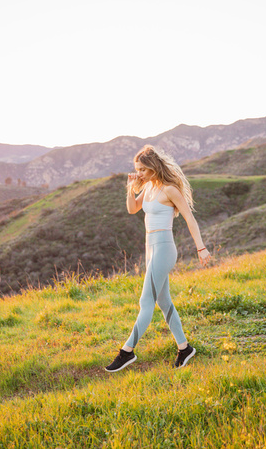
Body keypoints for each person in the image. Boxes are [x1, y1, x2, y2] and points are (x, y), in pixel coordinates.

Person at [105, 145, 212, 372]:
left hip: (164, 248)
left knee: (146, 302)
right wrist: (131, 188)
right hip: (150, 248)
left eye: (143, 169)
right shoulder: (150, 188)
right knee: (163, 302)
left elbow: (190, 219)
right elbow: (132, 209)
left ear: (153, 167)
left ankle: (127, 352)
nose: (140, 173)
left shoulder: (169, 189)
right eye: (137, 169)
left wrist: (201, 248)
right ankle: (185, 348)